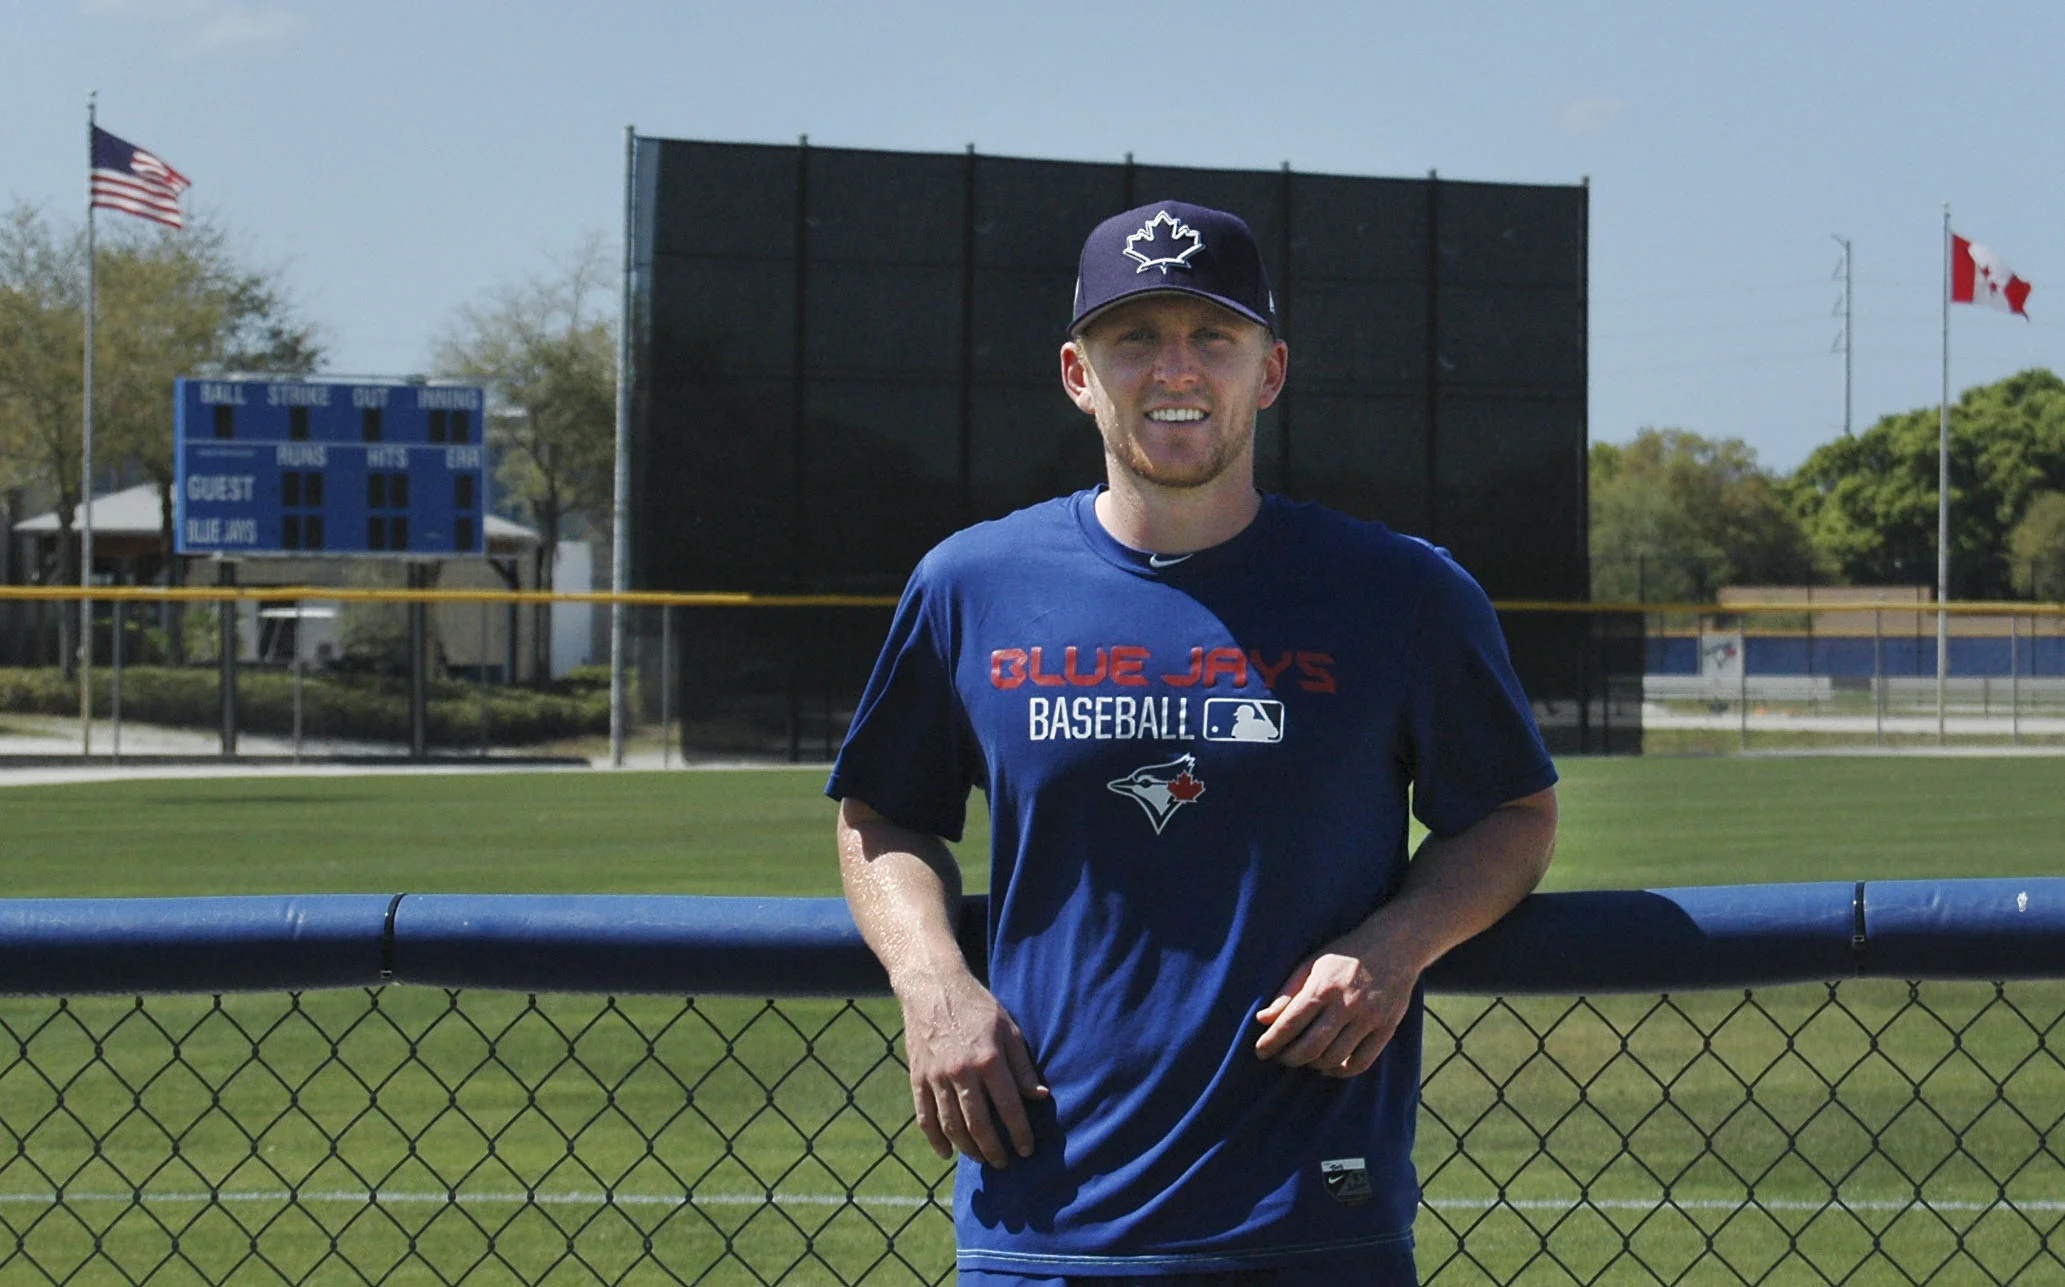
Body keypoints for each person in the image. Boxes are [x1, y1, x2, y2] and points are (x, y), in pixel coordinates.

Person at [829, 199, 1559, 1285]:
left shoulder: (1399, 591)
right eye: (1135, 338)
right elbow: (880, 815)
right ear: (1079, 374)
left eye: (1213, 337)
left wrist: (1397, 945)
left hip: (1311, 1222)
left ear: (1269, 372)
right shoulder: (970, 585)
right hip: (1042, 1218)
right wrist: (932, 979)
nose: (1176, 369)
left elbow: (1510, 813)